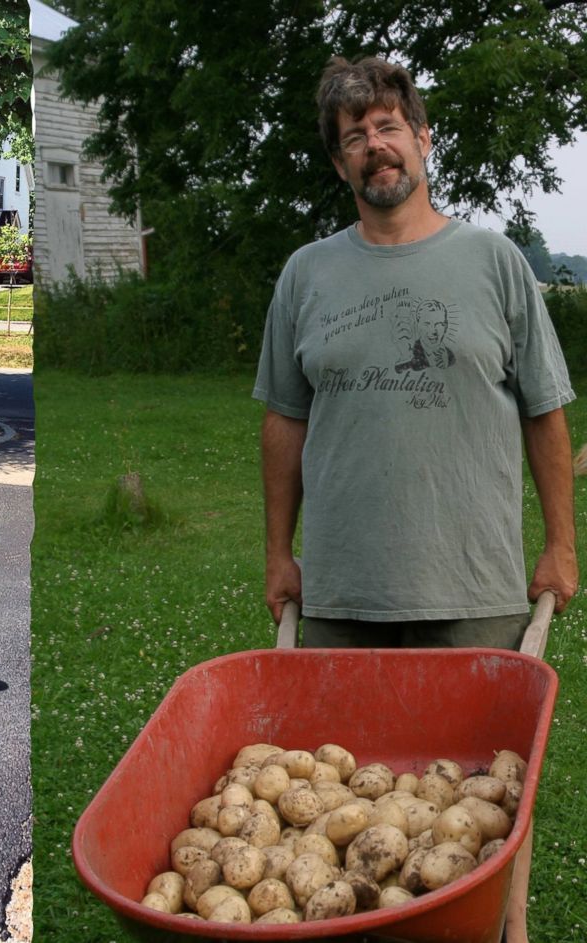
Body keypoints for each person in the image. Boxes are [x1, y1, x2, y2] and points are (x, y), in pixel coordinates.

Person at [254, 56, 577, 943]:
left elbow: (547, 410)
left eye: (389, 125)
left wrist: (561, 544)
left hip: (475, 592)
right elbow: (284, 421)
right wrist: (281, 553)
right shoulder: (306, 275)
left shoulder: (494, 261)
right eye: (354, 136)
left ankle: (504, 932)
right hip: (344, 597)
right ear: (340, 165)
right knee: (340, 811)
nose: (375, 145)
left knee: (491, 803)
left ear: (424, 139)